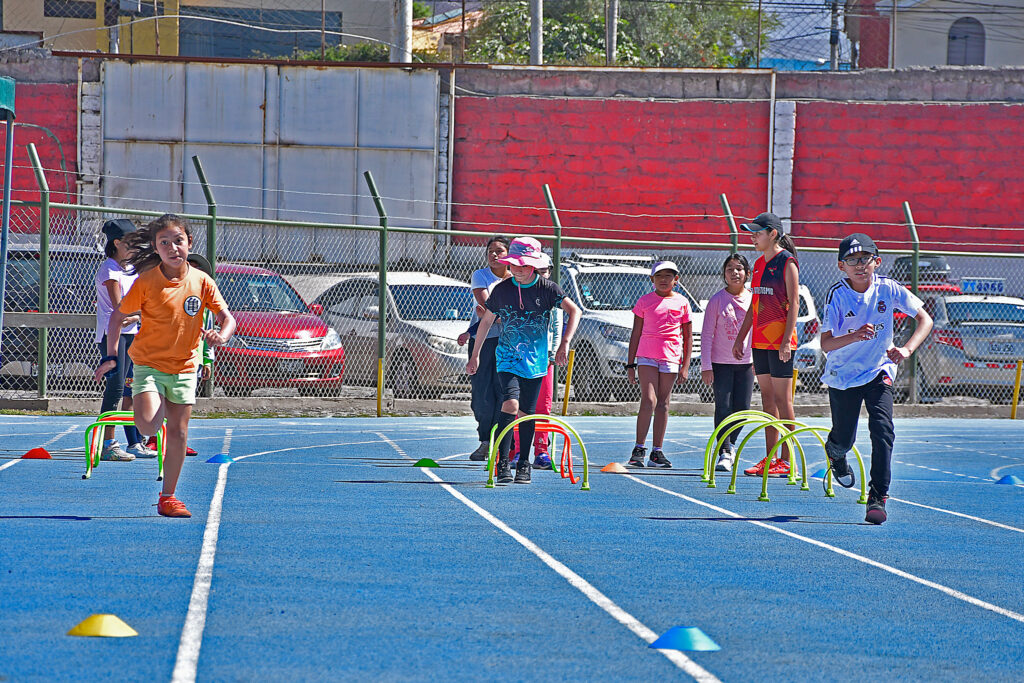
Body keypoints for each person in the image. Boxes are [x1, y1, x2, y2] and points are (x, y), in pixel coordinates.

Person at [94, 214, 235, 518]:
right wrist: (112, 355)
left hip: (185, 368)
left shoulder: (202, 281)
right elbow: (117, 318)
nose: (173, 247)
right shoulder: (146, 282)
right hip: (149, 365)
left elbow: (228, 318)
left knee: (180, 434)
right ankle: (145, 412)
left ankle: (168, 497)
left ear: (190, 243)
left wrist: (220, 336)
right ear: (156, 248)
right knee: (148, 426)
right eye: (164, 242)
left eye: (178, 241)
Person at [820, 233, 933, 524]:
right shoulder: (837, 294)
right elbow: (826, 344)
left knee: (883, 430)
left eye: (865, 259)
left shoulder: (889, 289)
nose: (860, 265)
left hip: (878, 370)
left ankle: (878, 496)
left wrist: (906, 349)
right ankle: (835, 453)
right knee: (844, 438)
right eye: (852, 261)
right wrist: (855, 335)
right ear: (841, 266)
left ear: (877, 262)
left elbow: (925, 319)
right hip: (843, 374)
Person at [466, 236, 580, 485]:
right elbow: (486, 321)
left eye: (523, 265)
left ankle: (524, 463)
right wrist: (475, 355)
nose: (517, 269)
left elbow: (575, 311)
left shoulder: (548, 289)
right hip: (507, 358)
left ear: (533, 265)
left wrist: (564, 343)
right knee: (510, 404)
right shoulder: (502, 290)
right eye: (514, 264)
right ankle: (503, 461)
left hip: (537, 362)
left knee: (528, 414)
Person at [732, 212, 799, 478]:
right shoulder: (758, 264)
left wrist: (785, 341)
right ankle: (771, 457)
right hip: (760, 342)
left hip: (781, 343)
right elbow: (754, 305)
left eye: (757, 232)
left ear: (772, 234)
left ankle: (787, 457)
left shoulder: (787, 262)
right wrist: (741, 337)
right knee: (767, 402)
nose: (753, 237)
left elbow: (793, 303)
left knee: (784, 401)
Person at [94, 219, 154, 461]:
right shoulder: (110, 269)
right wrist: (141, 312)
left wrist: (140, 313)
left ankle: (134, 442)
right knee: (116, 387)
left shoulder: (130, 269)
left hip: (133, 333)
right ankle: (108, 443)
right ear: (117, 243)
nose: (135, 247)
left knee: (131, 386)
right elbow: (121, 307)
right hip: (113, 334)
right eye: (130, 243)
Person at [625, 260, 693, 468]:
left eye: (668, 276)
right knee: (649, 399)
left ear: (676, 279)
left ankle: (657, 451)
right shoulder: (644, 302)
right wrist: (630, 364)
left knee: (663, 403)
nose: (664, 280)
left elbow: (687, 336)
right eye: (659, 276)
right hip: (646, 356)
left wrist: (685, 365)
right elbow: (636, 333)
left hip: (671, 357)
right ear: (652, 279)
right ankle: (639, 448)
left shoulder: (682, 302)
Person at [457, 236, 510, 462]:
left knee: (504, 391)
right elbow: (486, 307)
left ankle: (502, 443)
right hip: (483, 340)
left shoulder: (516, 279)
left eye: (499, 250)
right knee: (481, 394)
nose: (494, 255)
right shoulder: (481, 276)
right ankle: (484, 441)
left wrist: (499, 316)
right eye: (490, 251)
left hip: (508, 342)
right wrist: (501, 316)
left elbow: (499, 313)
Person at [701, 253, 754, 473]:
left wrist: (759, 361)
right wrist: (706, 366)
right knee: (723, 407)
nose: (735, 273)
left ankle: (730, 443)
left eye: (739, 268)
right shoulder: (717, 300)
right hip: (720, 363)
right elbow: (706, 335)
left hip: (747, 363)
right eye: (730, 269)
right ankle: (724, 451)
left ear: (747, 274)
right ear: (724, 274)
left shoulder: (753, 299)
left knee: (743, 408)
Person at [511, 252, 558, 470]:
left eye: (543, 271)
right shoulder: (517, 294)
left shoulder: (553, 295)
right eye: (535, 271)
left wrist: (554, 352)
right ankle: (519, 449)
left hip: (543, 360)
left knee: (543, 406)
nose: (539, 275)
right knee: (520, 405)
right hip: (520, 360)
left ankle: (541, 451)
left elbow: (557, 328)